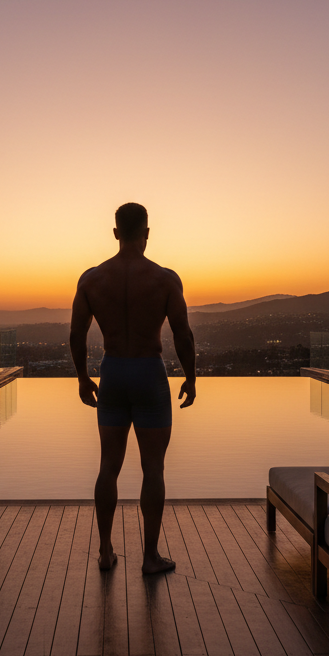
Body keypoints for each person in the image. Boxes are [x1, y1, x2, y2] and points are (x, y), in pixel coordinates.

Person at [70, 202, 197, 574]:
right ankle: (149, 557)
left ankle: (106, 552)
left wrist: (82, 376)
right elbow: (183, 335)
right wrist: (191, 377)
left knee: (108, 465)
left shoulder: (92, 279)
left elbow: (77, 333)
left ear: (114, 233)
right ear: (146, 233)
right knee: (153, 468)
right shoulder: (164, 279)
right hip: (148, 373)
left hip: (112, 373)